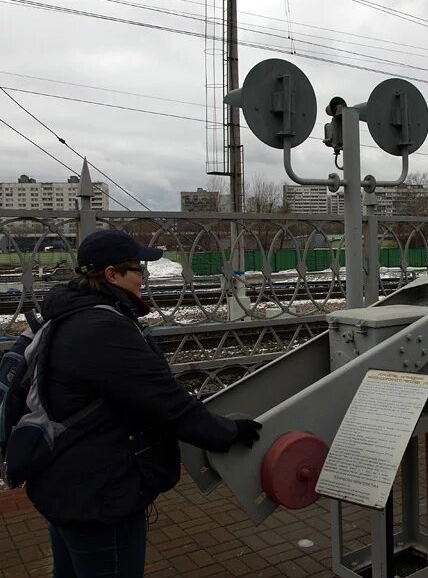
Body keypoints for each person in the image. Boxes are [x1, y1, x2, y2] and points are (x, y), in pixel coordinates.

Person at [26, 229, 261, 578]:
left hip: (67, 482)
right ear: (112, 275)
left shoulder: (71, 315)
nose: (144, 278)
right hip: (100, 496)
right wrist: (228, 432)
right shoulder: (104, 328)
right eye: (138, 270)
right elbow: (166, 402)